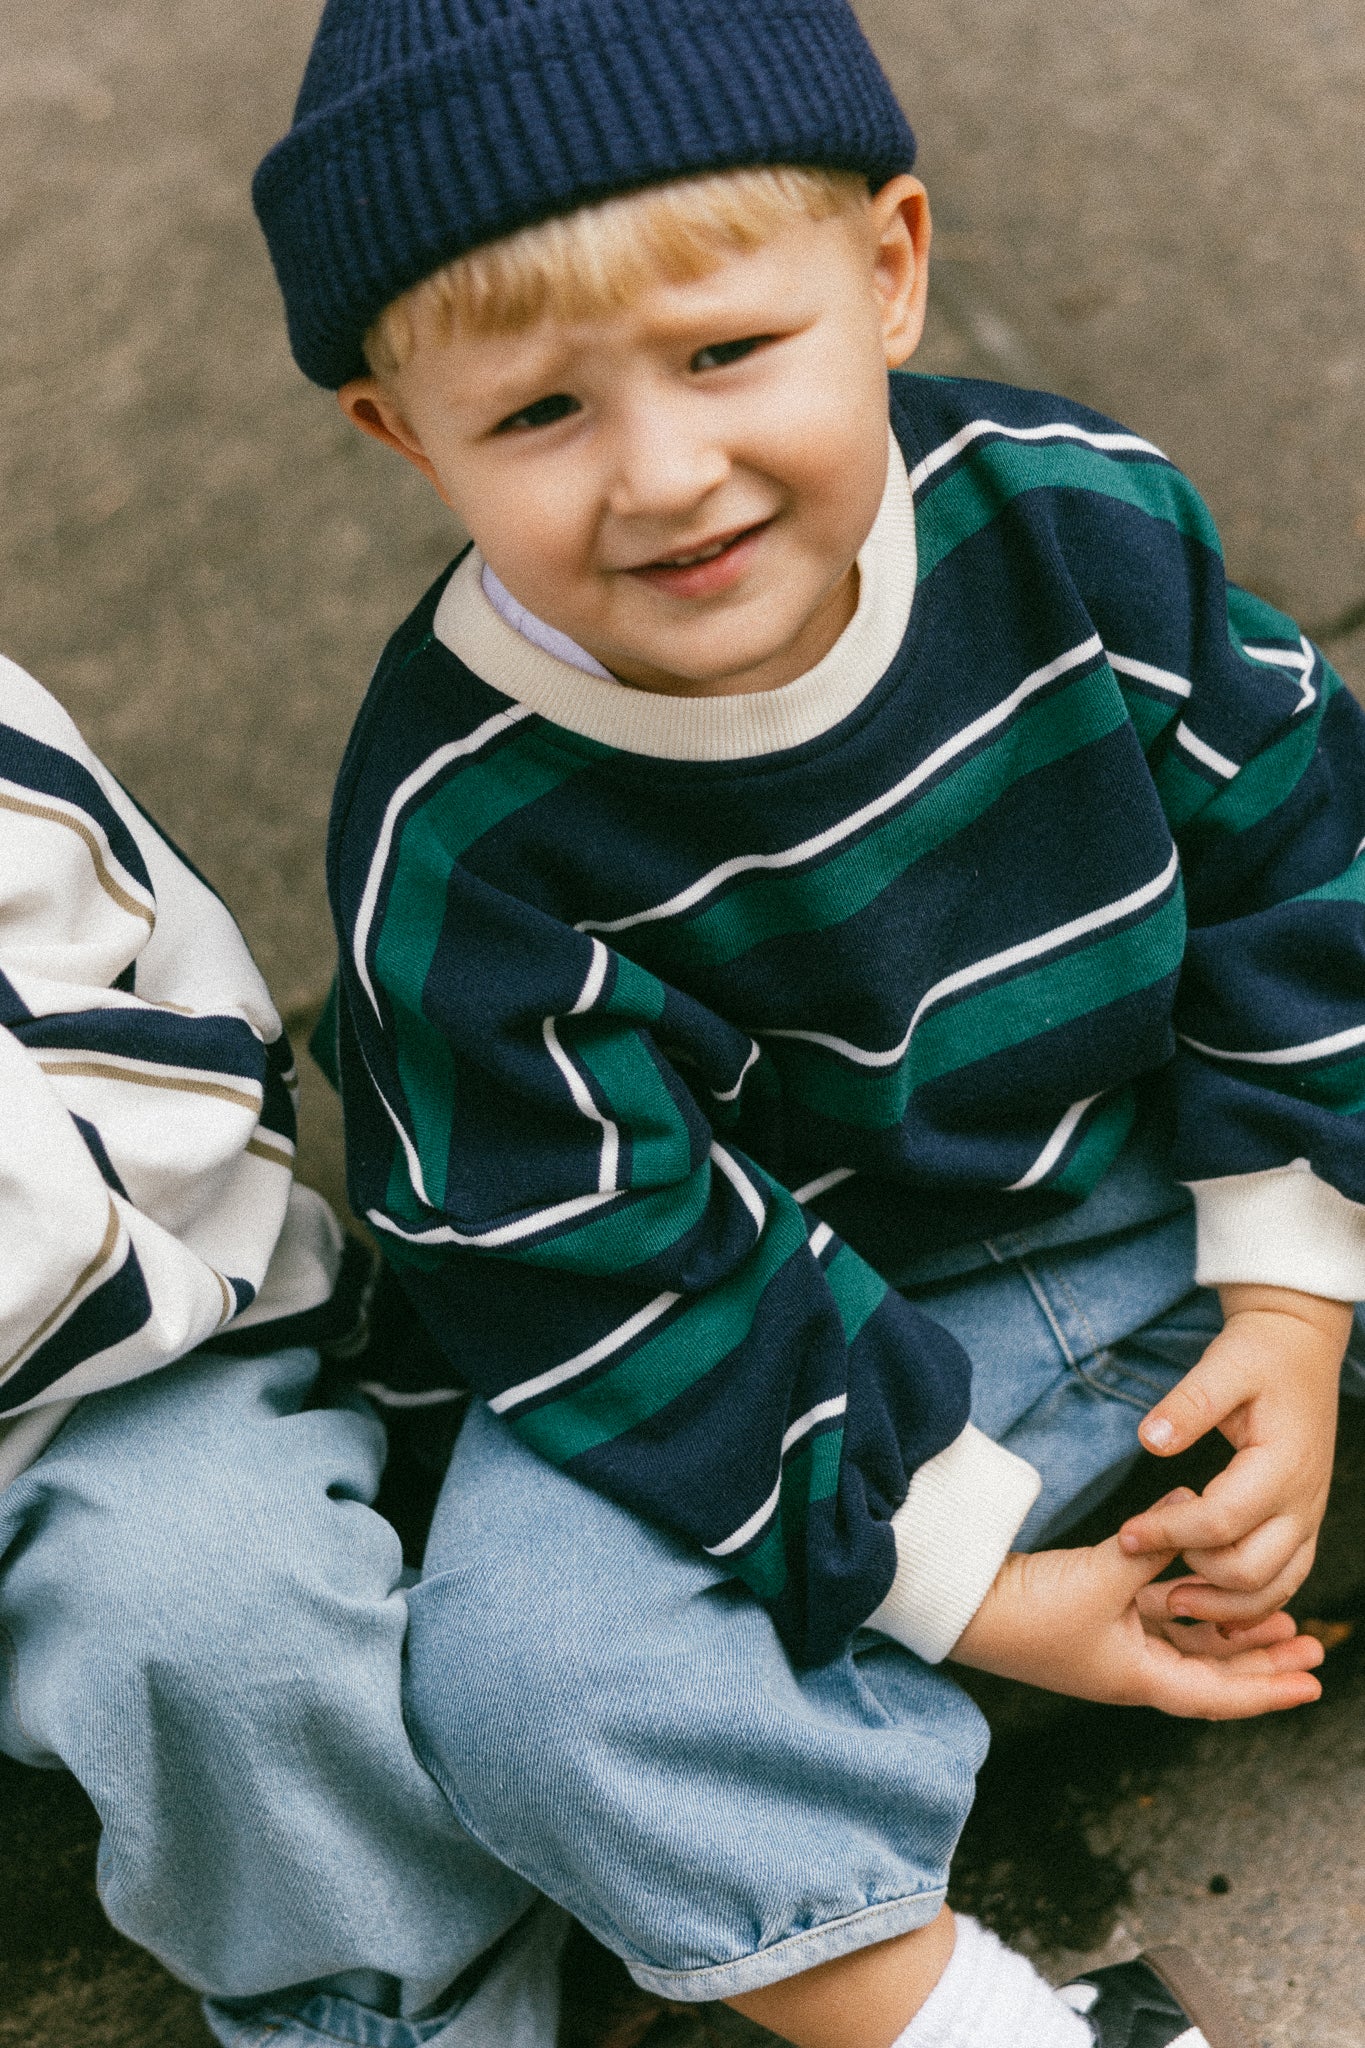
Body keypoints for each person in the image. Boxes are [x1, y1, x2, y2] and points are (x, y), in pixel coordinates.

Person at [263, 1, 1365, 2044]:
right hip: (775, 1338)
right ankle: (975, 2020)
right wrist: (962, 1582)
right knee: (527, 1679)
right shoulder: (459, 829)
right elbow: (588, 1268)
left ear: (884, 267)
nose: (663, 473)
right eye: (536, 416)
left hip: (1167, 1188)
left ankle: (1265, 1490)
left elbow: (1299, 876)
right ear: (401, 433)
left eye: (721, 353)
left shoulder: (1075, 520)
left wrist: (1290, 1304)